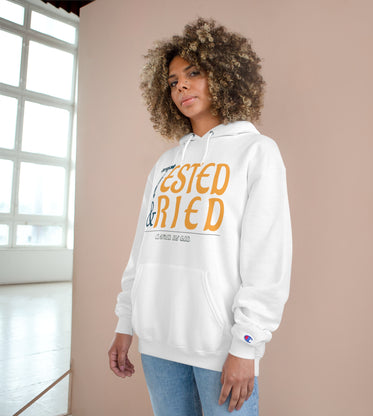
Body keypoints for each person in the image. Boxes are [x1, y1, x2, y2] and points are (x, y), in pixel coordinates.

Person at [108, 17, 292, 415]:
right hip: (156, 343)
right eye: (173, 81)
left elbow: (268, 256)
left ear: (224, 75)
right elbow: (142, 249)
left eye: (193, 73)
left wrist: (246, 344)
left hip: (220, 346)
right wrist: (126, 323)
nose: (181, 86)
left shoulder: (257, 152)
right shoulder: (166, 163)